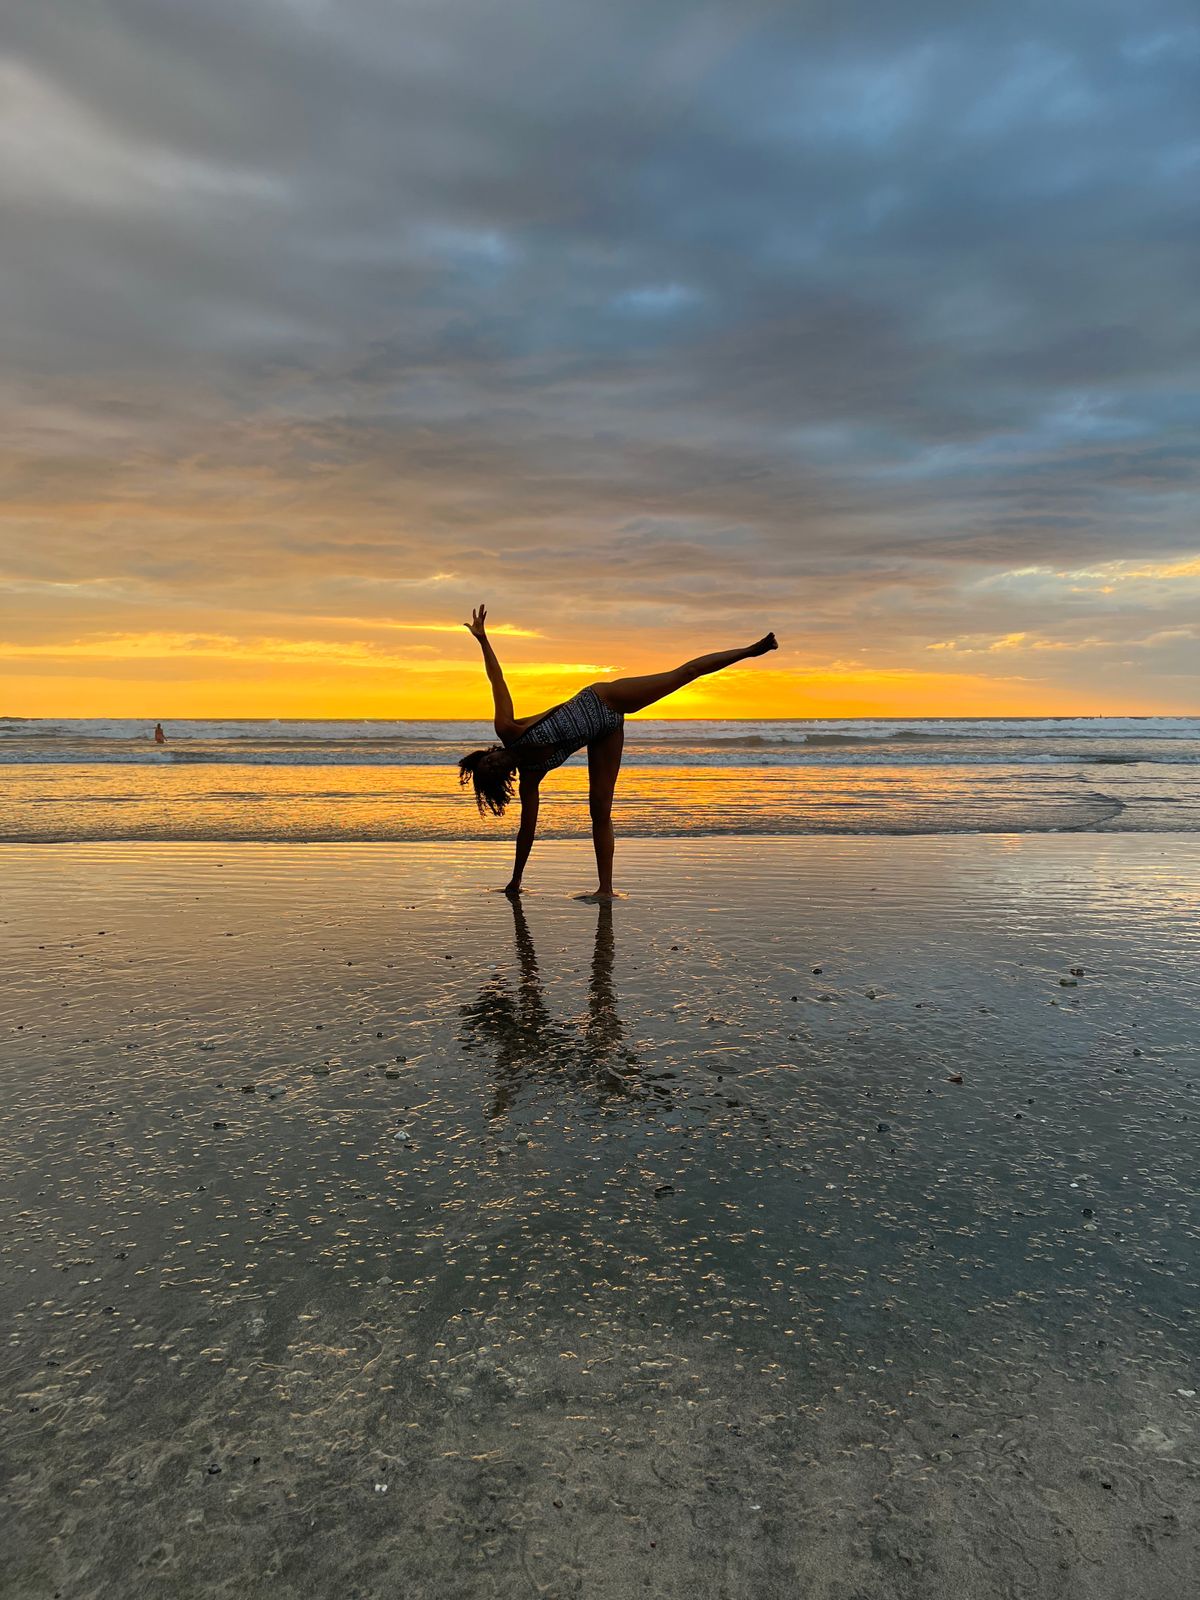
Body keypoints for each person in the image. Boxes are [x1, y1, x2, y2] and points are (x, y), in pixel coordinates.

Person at [458, 603, 777, 900]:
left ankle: (752, 650)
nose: (494, 763)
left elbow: (496, 679)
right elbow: (526, 830)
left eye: (488, 759)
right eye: (492, 770)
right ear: (500, 780)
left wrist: (483, 640)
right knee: (599, 807)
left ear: (490, 751)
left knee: (684, 674)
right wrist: (515, 881)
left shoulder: (509, 729)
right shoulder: (531, 777)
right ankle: (605, 890)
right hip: (605, 734)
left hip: (605, 699)